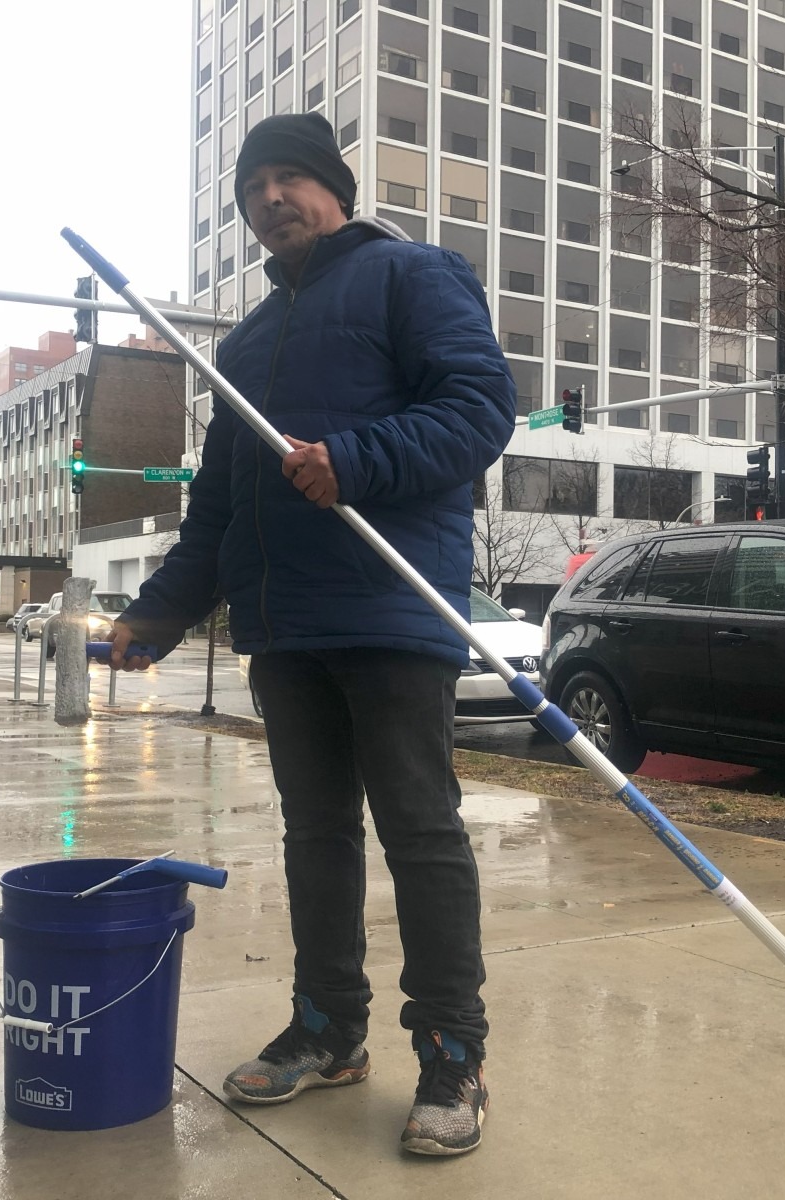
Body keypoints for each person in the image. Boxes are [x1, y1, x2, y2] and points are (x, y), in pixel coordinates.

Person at [108, 111, 515, 1156]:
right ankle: (329, 1027)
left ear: (335, 188)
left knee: (419, 832)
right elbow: (220, 507)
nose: (270, 200)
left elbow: (478, 411)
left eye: (290, 179)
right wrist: (159, 611)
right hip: (285, 629)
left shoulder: (414, 276)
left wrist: (355, 460)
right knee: (315, 835)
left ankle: (452, 1052)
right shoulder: (243, 343)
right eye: (253, 189)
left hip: (388, 608)